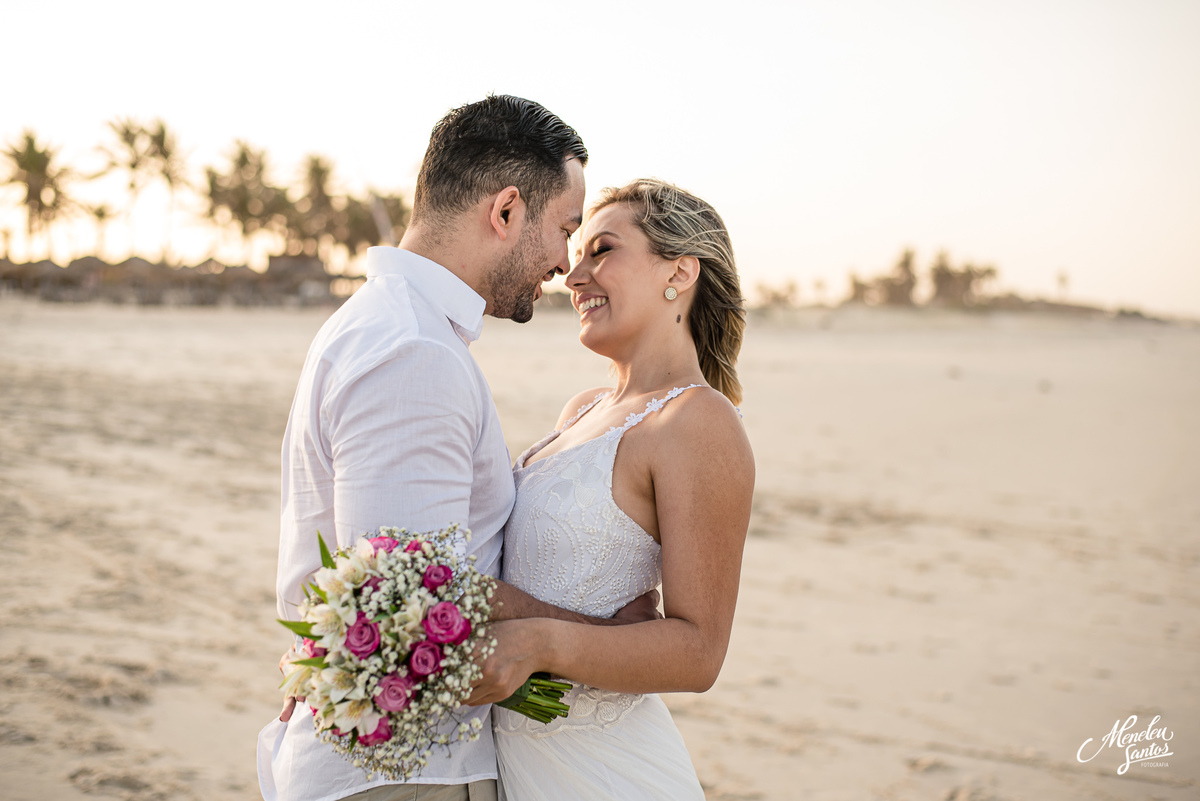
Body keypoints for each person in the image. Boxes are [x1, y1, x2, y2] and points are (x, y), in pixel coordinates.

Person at [257, 96, 661, 801]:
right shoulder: (412, 352)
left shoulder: (389, 326)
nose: (564, 265)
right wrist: (601, 631)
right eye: (564, 228)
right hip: (405, 777)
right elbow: (410, 600)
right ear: (505, 211)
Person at [466, 179, 755, 799]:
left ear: (677, 272)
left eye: (602, 251)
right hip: (517, 767)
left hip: (606, 772)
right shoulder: (582, 410)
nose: (573, 277)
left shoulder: (696, 423)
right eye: (576, 254)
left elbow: (699, 652)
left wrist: (538, 638)